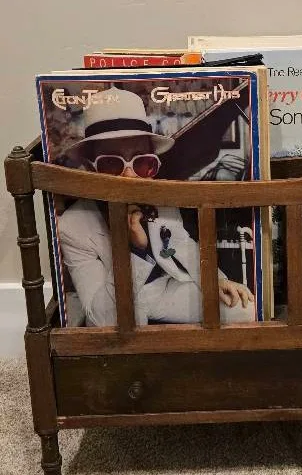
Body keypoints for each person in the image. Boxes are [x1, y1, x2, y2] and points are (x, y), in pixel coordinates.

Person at [57, 87, 255, 326]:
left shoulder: (157, 195)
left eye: (142, 164)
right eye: (111, 163)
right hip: (121, 302)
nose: (129, 177)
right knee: (128, 332)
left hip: (166, 288)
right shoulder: (72, 226)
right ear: (90, 169)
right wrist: (134, 250)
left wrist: (216, 279)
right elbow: (103, 320)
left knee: (244, 309)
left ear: (153, 166)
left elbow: (180, 242)